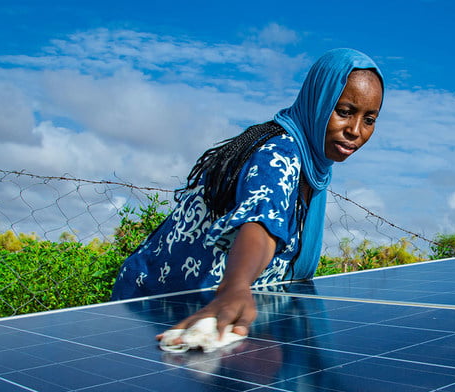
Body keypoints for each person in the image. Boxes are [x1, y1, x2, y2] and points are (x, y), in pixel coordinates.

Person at [110, 48, 384, 341]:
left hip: (206, 310)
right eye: (344, 112)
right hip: (151, 306)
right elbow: (261, 224)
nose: (355, 130)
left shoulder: (314, 166)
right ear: (318, 100)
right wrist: (237, 285)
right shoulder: (277, 154)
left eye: (369, 119)